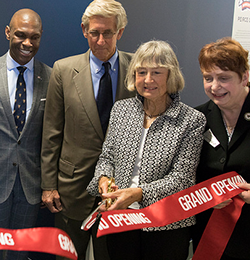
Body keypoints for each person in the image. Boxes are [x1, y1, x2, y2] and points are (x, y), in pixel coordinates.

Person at [87, 40, 206, 260]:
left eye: (156, 73)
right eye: (141, 72)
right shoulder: (121, 110)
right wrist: (104, 177)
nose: (148, 80)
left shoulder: (191, 120)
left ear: (170, 76)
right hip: (121, 219)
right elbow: (107, 157)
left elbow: (182, 179)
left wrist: (139, 193)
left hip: (166, 226)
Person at [41, 0, 134, 259]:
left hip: (120, 190)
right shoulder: (63, 69)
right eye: (94, 32)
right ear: (84, 30)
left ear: (121, 32)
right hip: (73, 188)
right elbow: (52, 132)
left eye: (108, 33)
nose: (101, 40)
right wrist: (48, 185)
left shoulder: (138, 70)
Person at [0, 8, 51, 260]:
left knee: (19, 255)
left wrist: (49, 184)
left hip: (30, 187)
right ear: (8, 32)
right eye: (21, 35)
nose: (27, 43)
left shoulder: (51, 78)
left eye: (35, 37)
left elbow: (53, 136)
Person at [192, 37, 250, 260]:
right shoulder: (196, 118)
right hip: (209, 235)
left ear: (244, 77)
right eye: (208, 78)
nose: (214, 87)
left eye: (224, 78)